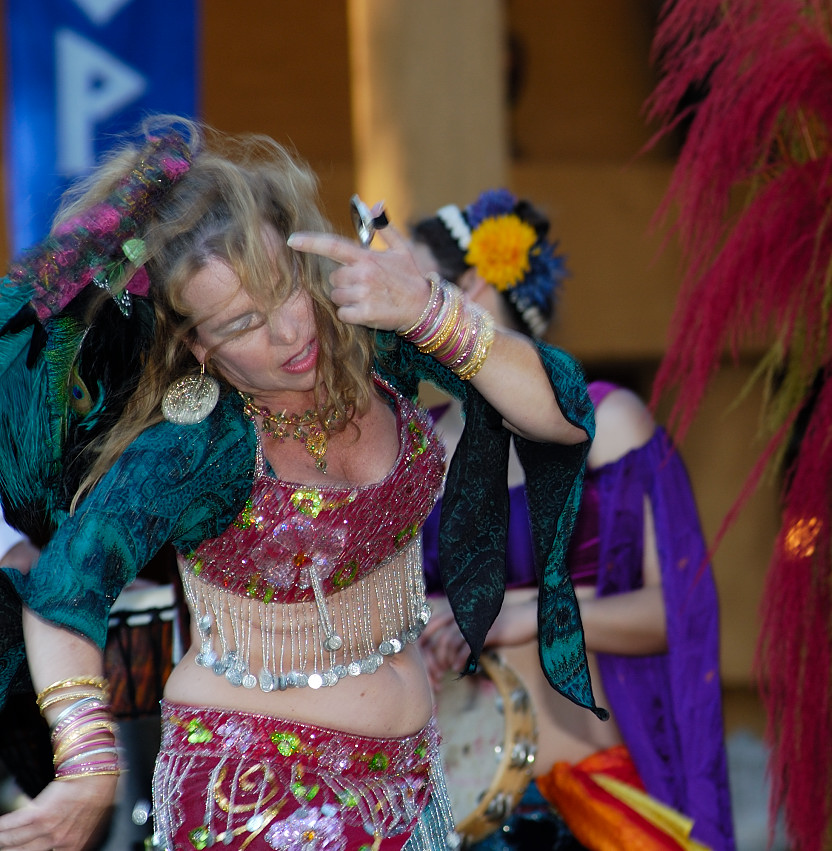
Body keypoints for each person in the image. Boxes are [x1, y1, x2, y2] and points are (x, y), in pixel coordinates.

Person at [0, 119, 602, 851]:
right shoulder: (202, 443)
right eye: (244, 321)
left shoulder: (374, 343)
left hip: (412, 784)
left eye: (285, 289)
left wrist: (431, 312)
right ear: (197, 345)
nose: (289, 334)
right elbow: (64, 590)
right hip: (250, 790)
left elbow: (566, 418)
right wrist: (88, 767)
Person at [411, 190, 736, 851]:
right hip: (457, 811)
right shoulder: (414, 450)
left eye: (408, 291)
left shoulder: (606, 423)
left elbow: (680, 611)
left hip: (596, 806)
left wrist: (524, 615)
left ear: (473, 286)